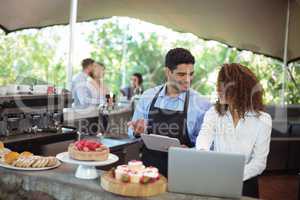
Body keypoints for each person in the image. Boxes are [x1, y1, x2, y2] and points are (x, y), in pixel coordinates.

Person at [128, 48, 211, 176]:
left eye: (191, 74)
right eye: (181, 74)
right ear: (167, 72)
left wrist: (191, 151)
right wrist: (136, 131)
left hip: (185, 172)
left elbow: (209, 144)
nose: (188, 79)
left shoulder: (202, 103)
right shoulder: (147, 96)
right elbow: (131, 132)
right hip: (148, 171)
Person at [196, 63, 272, 198]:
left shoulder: (263, 120)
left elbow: (259, 162)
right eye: (218, 86)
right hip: (216, 179)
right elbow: (204, 138)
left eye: (222, 87)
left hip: (246, 182)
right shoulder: (214, 113)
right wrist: (203, 156)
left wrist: (233, 176)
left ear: (240, 90)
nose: (218, 90)